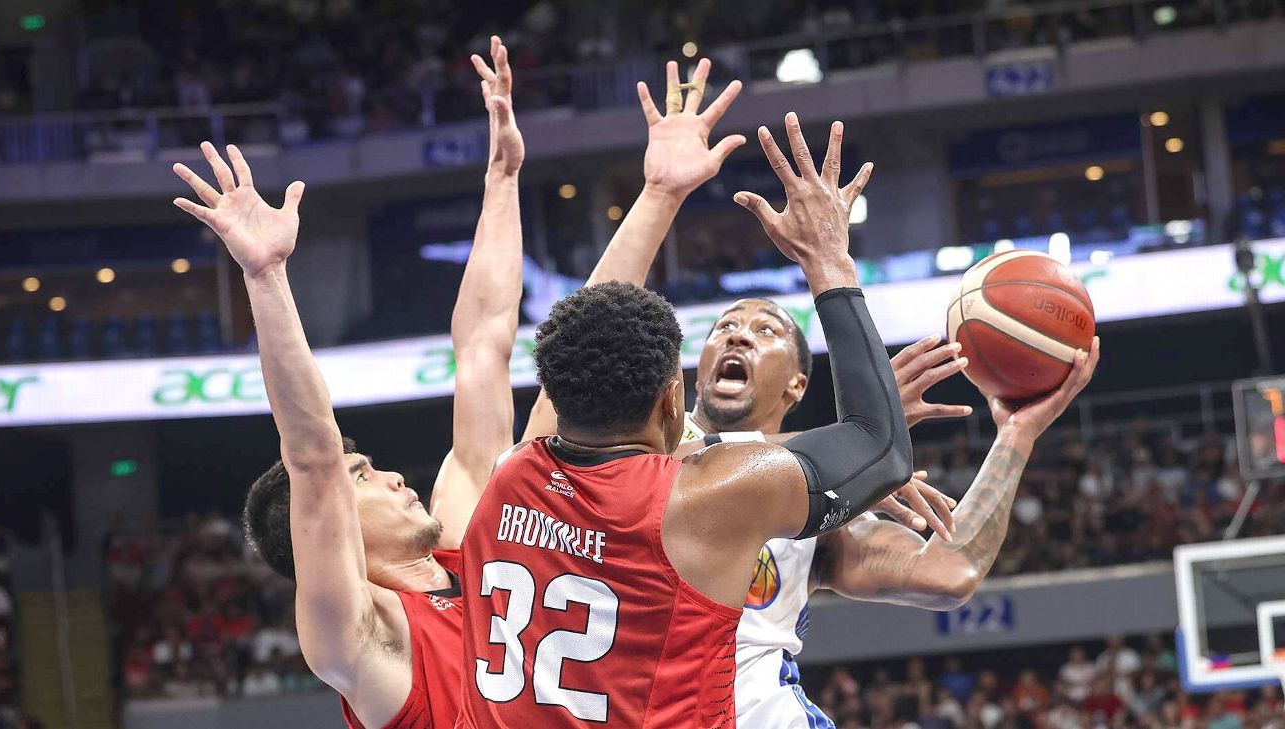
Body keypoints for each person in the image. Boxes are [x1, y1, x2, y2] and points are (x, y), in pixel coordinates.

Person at [459, 111, 915, 726]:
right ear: (673, 400)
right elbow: (880, 446)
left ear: (556, 391)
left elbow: (555, 334)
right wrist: (829, 258)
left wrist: (659, 193)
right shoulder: (703, 498)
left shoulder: (511, 473)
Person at [170, 36, 525, 728]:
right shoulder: (364, 640)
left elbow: (484, 345)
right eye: (362, 478)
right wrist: (265, 277)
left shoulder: (467, 552)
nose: (393, 476)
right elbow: (314, 457)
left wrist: (504, 179)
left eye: (371, 469)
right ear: (331, 532)